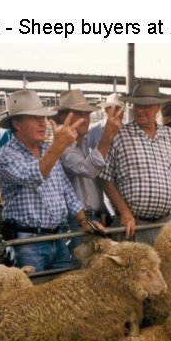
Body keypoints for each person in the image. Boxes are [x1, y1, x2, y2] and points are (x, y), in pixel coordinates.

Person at [0, 89, 103, 272]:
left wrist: (84, 221)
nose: (42, 123)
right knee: (32, 295)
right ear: (17, 123)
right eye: (34, 118)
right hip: (28, 243)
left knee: (61, 291)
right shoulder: (7, 156)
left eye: (43, 118)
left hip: (58, 238)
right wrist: (58, 146)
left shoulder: (46, 149)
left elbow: (66, 189)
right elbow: (33, 176)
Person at [100, 80, 171, 245]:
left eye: (146, 106)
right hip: (134, 225)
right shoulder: (119, 135)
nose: (140, 110)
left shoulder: (169, 135)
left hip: (166, 223)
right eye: (137, 105)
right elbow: (105, 179)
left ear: (157, 108)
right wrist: (124, 212)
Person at [54, 89, 123, 253]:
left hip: (94, 217)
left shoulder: (84, 142)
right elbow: (88, 169)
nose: (85, 119)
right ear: (64, 117)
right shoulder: (62, 147)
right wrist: (107, 135)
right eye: (78, 114)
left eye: (87, 114)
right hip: (77, 221)